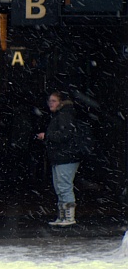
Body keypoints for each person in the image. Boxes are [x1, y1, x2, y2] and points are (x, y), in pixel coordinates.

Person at [36, 91, 85, 227]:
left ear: (61, 103)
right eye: (49, 101)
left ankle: (68, 216)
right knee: (60, 186)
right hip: (61, 156)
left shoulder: (64, 116)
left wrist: (47, 136)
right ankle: (63, 216)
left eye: (53, 101)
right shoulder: (62, 115)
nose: (50, 104)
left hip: (65, 156)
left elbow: (64, 135)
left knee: (64, 186)